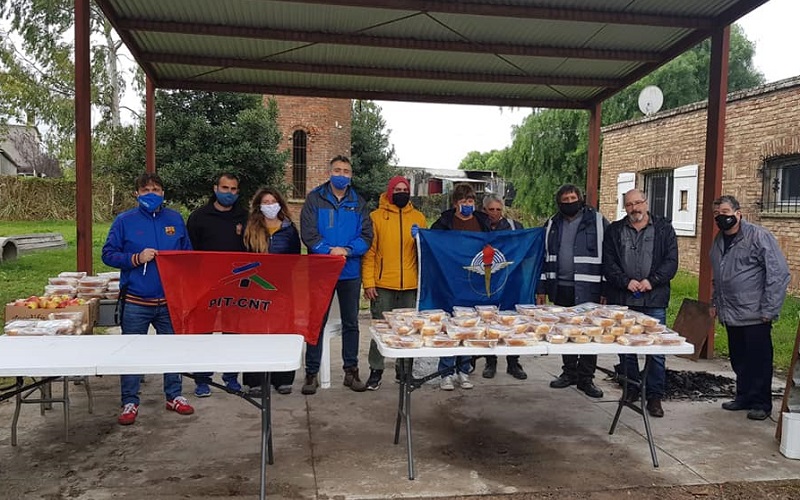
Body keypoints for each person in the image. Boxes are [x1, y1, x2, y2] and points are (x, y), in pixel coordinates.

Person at [101, 172, 194, 425]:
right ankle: (129, 401)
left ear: (163, 193)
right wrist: (135, 259)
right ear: (137, 194)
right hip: (136, 301)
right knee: (132, 353)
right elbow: (108, 254)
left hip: (168, 301)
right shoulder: (124, 221)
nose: (151, 194)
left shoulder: (175, 219)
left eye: (156, 189)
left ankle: (174, 395)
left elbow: (188, 254)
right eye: (145, 190)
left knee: (173, 350)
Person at [710, 195, 790, 421]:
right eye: (717, 214)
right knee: (739, 358)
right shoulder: (718, 241)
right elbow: (719, 276)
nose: (721, 217)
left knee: (759, 360)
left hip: (756, 313)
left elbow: (778, 273)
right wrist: (715, 303)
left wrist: (769, 309)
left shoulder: (758, 236)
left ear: (738, 213)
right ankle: (743, 396)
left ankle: (761, 403)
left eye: (725, 212)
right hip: (732, 312)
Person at [300, 155, 373, 394]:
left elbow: (366, 236)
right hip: (321, 270)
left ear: (351, 175)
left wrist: (348, 250)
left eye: (346, 171)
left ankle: (351, 372)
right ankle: (311, 373)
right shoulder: (314, 199)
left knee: (351, 323)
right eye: (338, 170)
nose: (342, 175)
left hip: (350, 272)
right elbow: (308, 234)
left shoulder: (358, 202)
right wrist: (329, 251)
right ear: (329, 172)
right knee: (316, 322)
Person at [603, 188, 678, 418]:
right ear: (624, 207)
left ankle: (655, 395)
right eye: (629, 205)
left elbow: (671, 262)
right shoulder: (615, 230)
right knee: (626, 348)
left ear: (646, 202)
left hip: (654, 298)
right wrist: (626, 281)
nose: (634, 208)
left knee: (656, 349)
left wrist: (651, 281)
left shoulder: (664, 228)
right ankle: (631, 388)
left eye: (638, 203)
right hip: (624, 298)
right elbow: (608, 263)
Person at [537, 184, 608, 399]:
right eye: (564, 199)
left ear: (580, 198)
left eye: (572, 198)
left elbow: (609, 256)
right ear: (559, 202)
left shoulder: (598, 221)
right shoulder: (551, 223)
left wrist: (605, 287)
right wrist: (542, 288)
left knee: (589, 334)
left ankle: (586, 379)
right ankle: (569, 373)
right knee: (565, 332)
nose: (569, 202)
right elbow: (542, 257)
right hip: (561, 288)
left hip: (589, 288)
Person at [362, 176, 427, 390]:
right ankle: (376, 370)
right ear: (390, 191)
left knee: (408, 331)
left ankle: (404, 371)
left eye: (405, 189)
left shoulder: (418, 217)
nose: (401, 192)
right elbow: (369, 253)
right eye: (397, 189)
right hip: (383, 284)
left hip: (410, 285)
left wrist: (421, 238)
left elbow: (424, 253)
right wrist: (369, 282)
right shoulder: (376, 217)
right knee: (380, 329)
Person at [186, 172, 248, 397]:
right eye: (225, 188)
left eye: (233, 189)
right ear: (215, 189)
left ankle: (231, 377)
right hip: (205, 286)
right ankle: (202, 379)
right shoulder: (199, 217)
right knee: (203, 333)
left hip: (235, 286)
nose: (229, 193)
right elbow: (188, 252)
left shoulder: (245, 216)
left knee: (233, 333)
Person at [241, 187, 302, 395]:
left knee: (282, 332)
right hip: (256, 288)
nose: (269, 206)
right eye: (265, 202)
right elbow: (244, 258)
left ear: (280, 204)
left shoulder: (289, 229)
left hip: (282, 290)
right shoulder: (250, 228)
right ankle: (255, 380)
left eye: (273, 201)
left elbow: (295, 259)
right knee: (254, 335)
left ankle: (282, 378)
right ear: (259, 205)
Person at [431, 183, 491, 391]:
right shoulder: (445, 222)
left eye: (471, 201)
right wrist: (419, 236)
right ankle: (445, 373)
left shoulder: (483, 222)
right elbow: (432, 242)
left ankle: (464, 371)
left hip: (474, 282)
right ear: (456, 203)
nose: (468, 204)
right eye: (464, 201)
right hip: (450, 281)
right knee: (450, 327)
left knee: (469, 326)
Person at [479, 193, 527, 380]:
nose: (495, 213)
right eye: (491, 209)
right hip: (487, 281)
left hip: (512, 280)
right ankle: (490, 362)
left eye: (499, 209)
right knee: (489, 321)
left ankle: (513, 363)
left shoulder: (516, 227)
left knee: (512, 322)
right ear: (484, 210)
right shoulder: (479, 228)